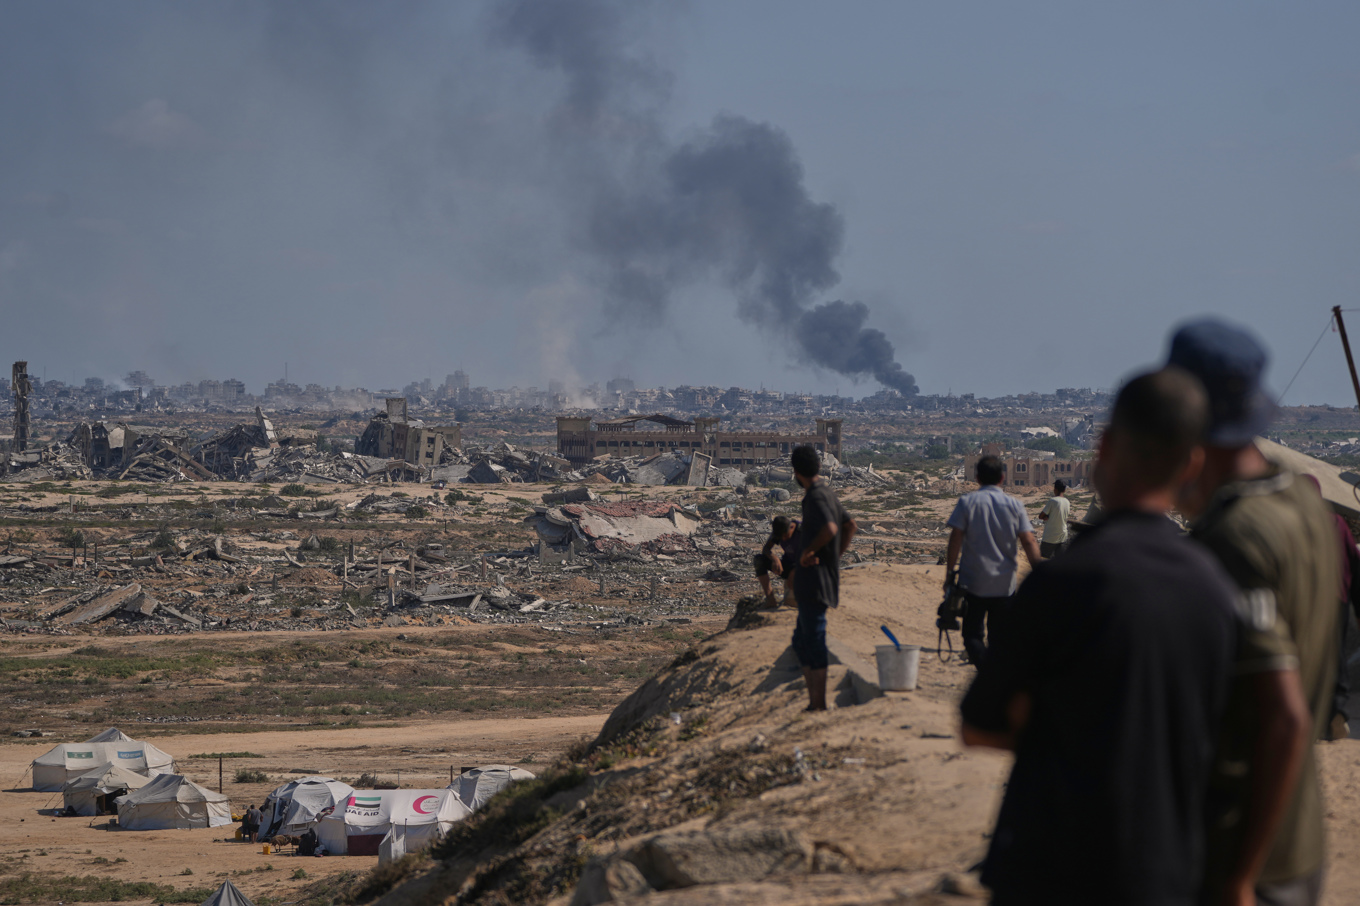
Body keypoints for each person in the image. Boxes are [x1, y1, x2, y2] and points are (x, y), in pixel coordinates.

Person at [960, 367, 1241, 905]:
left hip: (1049, 866)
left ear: (1104, 447)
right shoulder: (1215, 591)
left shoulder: (1056, 586)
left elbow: (978, 727)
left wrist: (1070, 735)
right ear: (1193, 462)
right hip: (1164, 872)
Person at [1169, 318, 1337, 906]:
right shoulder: (1301, 497)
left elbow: (1283, 718)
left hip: (1246, 851)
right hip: (1299, 839)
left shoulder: (1236, 539)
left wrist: (1239, 875)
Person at [945, 454, 1043, 666]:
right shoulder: (1014, 505)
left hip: (973, 581)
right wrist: (1040, 573)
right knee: (1000, 637)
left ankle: (984, 669)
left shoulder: (967, 502)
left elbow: (955, 540)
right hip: (1004, 583)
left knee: (972, 635)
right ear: (1002, 478)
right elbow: (1028, 541)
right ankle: (995, 674)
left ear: (978, 478)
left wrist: (949, 572)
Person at [791, 445, 856, 712]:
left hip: (814, 582)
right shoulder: (827, 492)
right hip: (821, 576)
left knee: (814, 640)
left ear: (796, 472)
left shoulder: (815, 497)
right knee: (800, 640)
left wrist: (809, 551)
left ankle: (818, 703)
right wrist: (834, 559)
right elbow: (849, 526)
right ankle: (813, 701)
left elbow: (831, 528)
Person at [753, 515, 800, 608]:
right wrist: (774, 558)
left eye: (786, 536)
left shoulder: (803, 531)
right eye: (781, 538)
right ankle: (770, 599)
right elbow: (766, 548)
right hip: (789, 564)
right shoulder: (779, 532)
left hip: (806, 567)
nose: (784, 539)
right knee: (759, 560)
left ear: (791, 527)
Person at [1036, 479, 1071, 558]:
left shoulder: (1052, 501)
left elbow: (1041, 516)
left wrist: (1047, 516)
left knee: (1043, 560)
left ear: (1055, 489)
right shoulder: (1067, 502)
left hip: (1050, 537)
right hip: (1062, 536)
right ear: (1065, 490)